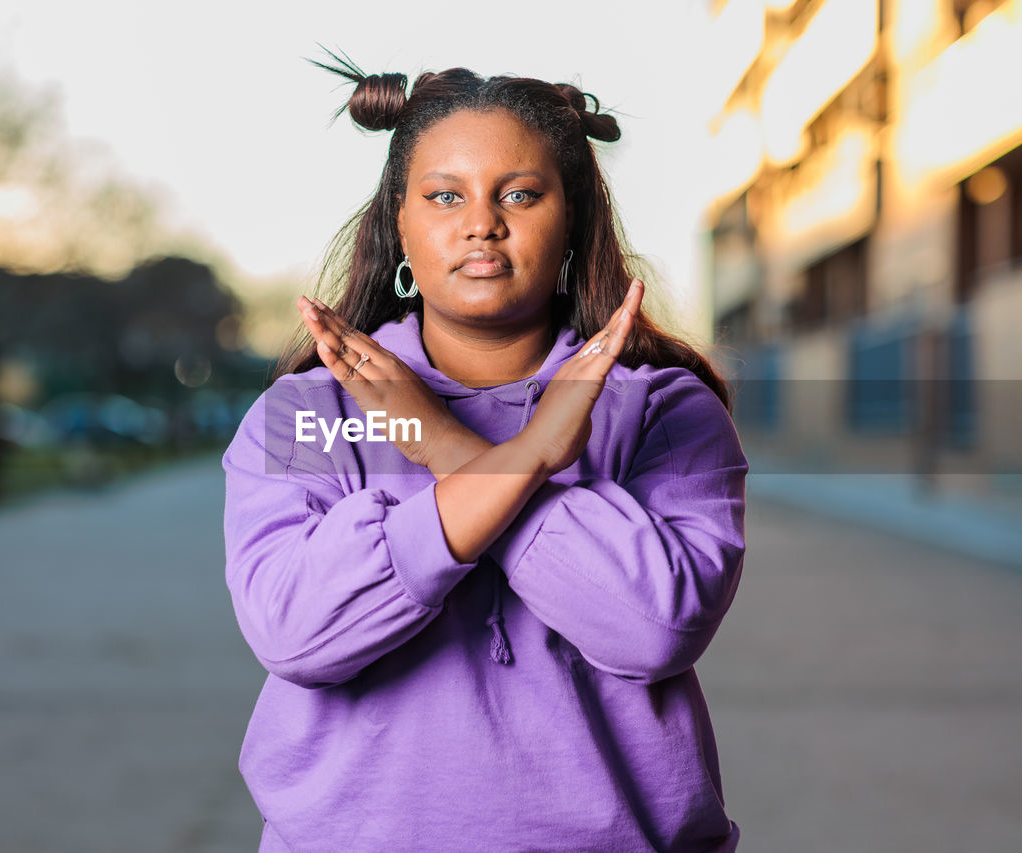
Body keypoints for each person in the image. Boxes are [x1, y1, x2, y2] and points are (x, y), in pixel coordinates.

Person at [221, 50, 748, 852]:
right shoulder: (304, 414)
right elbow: (299, 634)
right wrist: (530, 453)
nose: (481, 223)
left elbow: (654, 628)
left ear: (571, 220)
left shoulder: (666, 408)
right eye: (444, 196)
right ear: (399, 221)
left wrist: (440, 442)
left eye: (521, 194)